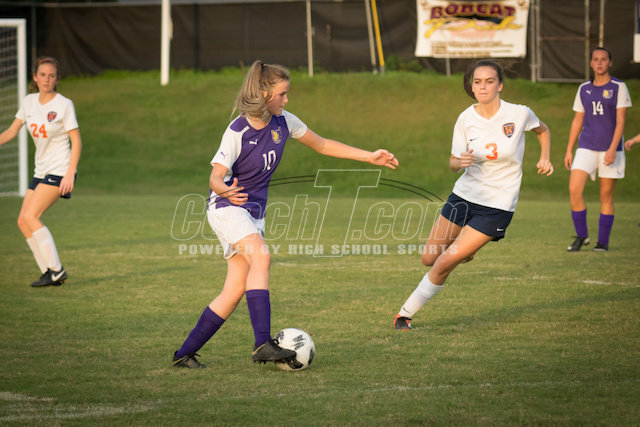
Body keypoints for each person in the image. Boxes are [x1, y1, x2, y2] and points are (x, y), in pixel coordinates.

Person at [172, 60, 399, 368]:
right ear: (264, 94)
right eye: (282, 94)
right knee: (261, 256)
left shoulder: (284, 121)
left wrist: (369, 156)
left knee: (235, 289)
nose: (286, 99)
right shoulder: (238, 130)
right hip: (227, 207)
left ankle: (184, 354)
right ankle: (261, 344)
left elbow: (322, 144)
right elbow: (215, 177)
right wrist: (225, 190)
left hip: (253, 213)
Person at [393, 59, 553, 331]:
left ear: (500, 85)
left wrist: (545, 157)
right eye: (477, 82)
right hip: (464, 196)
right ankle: (467, 251)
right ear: (471, 85)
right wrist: (460, 161)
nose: (483, 86)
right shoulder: (466, 118)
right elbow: (453, 162)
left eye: (489, 81)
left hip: (497, 205)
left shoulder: (519, 113)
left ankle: (403, 315)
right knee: (429, 258)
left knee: (444, 262)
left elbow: (543, 130)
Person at [0, 56, 82, 287]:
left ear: (57, 79)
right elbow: (11, 131)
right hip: (41, 171)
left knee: (31, 217)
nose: (47, 79)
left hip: (60, 170)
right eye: (43, 75)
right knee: (22, 221)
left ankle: (56, 270)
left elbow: (76, 141)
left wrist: (70, 173)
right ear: (35, 78)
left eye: (52, 75)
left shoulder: (64, 104)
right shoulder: (29, 102)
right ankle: (48, 271)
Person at [564, 47, 632, 252]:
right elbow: (577, 120)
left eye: (603, 59)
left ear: (610, 62)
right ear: (591, 63)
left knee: (606, 196)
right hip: (586, 146)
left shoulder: (619, 87)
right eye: (596, 59)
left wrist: (612, 149)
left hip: (610, 150)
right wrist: (569, 149)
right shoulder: (583, 88)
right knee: (574, 189)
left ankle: (602, 242)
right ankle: (581, 236)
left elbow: (620, 122)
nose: (599, 62)